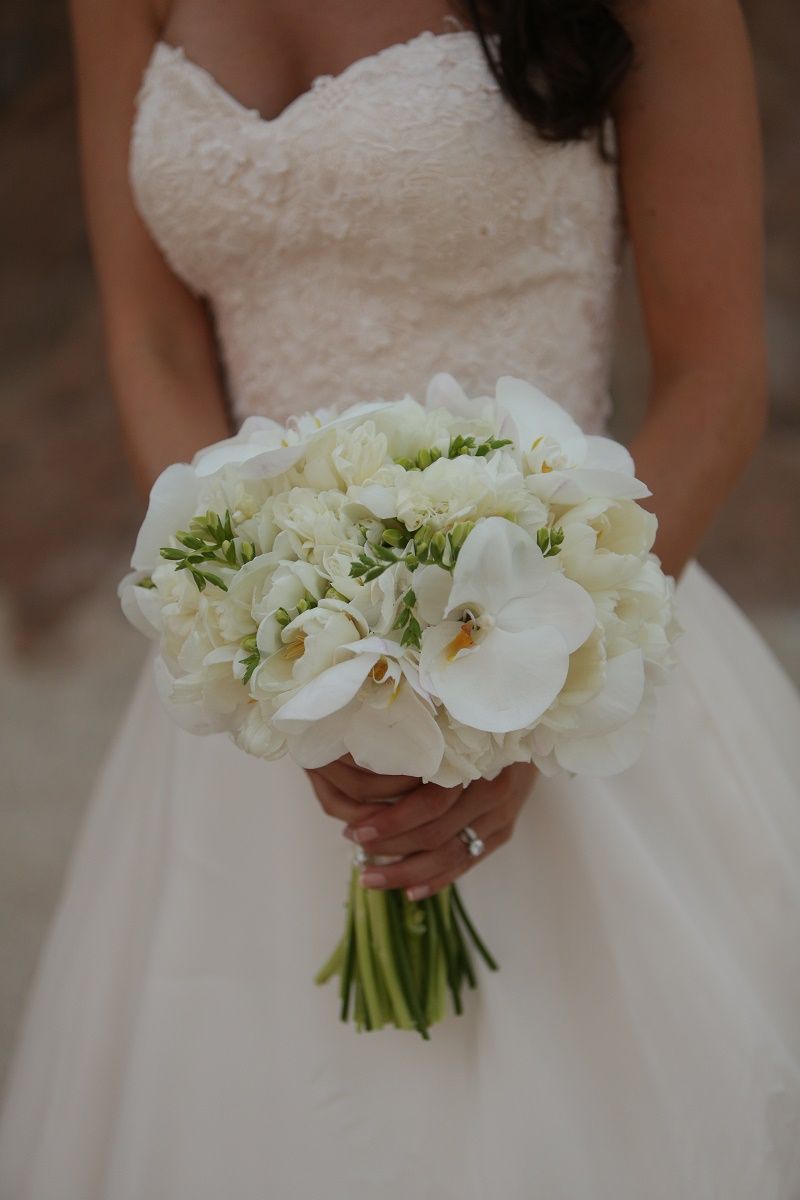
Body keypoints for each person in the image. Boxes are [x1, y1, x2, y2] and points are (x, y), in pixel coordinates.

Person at [1, 1, 799, 1195]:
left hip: (561, 645)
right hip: (264, 689)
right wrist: (268, 640)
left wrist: (517, 707)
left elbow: (714, 376)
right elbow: (156, 342)